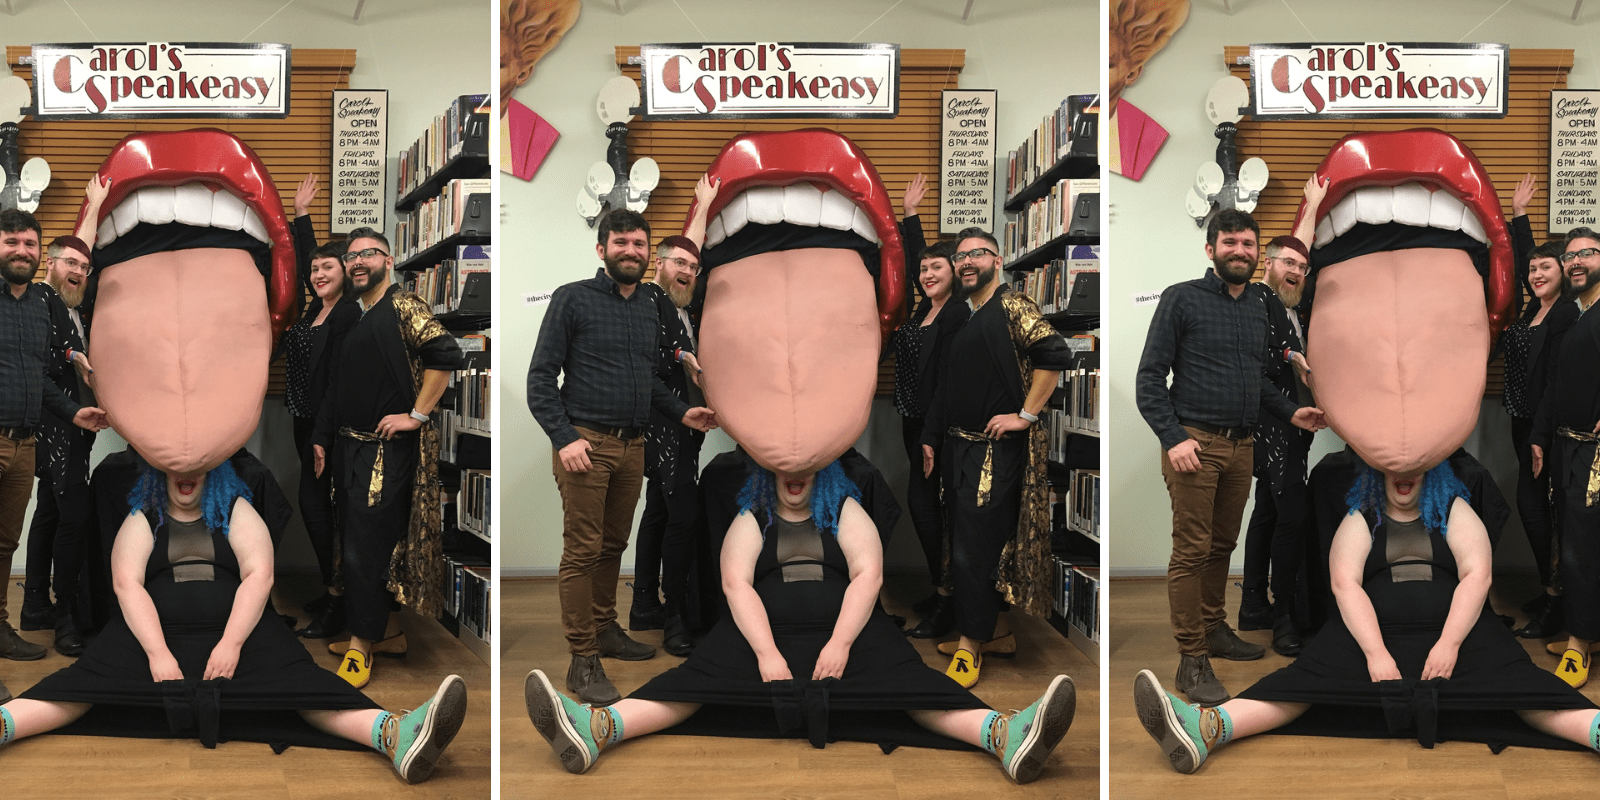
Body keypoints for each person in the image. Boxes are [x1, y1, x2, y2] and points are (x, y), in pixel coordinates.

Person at [526, 461, 1076, 784]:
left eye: (805, 466)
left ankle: (1004, 735)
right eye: (783, 467)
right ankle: (598, 729)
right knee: (696, 682)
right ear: (769, 469)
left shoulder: (845, 508)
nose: (794, 476)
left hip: (849, 627)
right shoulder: (752, 512)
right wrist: (765, 653)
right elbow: (735, 583)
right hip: (762, 629)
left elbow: (869, 575)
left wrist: (839, 644)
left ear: (823, 467)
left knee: (910, 686)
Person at [1, 464, 468, 783]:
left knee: (299, 685)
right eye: (175, 466)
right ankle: (4, 723)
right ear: (160, 469)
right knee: (81, 687)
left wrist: (230, 643)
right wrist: (158, 653)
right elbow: (127, 585)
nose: (185, 475)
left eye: (197, 465)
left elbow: (259, 577)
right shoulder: (142, 514)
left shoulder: (237, 509)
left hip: (239, 631)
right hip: (150, 633)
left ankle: (393, 734)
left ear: (214, 467)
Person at [1134, 465, 1600, 773]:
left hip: (1457, 632)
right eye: (1392, 465)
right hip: (1370, 633)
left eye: (1414, 465)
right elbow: (1345, 584)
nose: (1403, 474)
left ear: (1431, 468)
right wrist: (1375, 652)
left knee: (1520, 687)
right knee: (1302, 684)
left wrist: (1450, 643)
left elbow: (1478, 576)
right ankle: (1209, 728)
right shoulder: (1362, 514)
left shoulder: (1455, 508)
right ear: (1378, 470)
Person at [527, 209, 717, 705]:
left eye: (638, 244)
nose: (630, 251)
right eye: (620, 243)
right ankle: (582, 659)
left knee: (613, 546)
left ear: (646, 254)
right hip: (586, 446)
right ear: (602, 250)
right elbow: (540, 380)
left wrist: (683, 412)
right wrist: (565, 439)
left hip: (634, 446)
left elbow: (648, 380)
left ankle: (606, 628)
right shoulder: (573, 299)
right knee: (583, 551)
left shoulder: (647, 309)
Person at [1135, 209, 1324, 706]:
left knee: (1222, 547)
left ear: (1256, 254)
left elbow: (1256, 381)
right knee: (1192, 551)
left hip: (1242, 447)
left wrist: (1291, 412)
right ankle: (1191, 659)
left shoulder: (1257, 307)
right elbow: (1150, 379)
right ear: (1211, 249)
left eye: (1247, 244)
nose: (1238, 251)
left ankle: (1215, 629)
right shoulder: (1181, 299)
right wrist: (1174, 439)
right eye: (1229, 243)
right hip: (1195, 445)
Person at [918, 227, 1074, 688]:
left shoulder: (1013, 306)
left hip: (993, 454)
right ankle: (998, 633)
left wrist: (1025, 415)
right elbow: (948, 387)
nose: (967, 262)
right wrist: (930, 439)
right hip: (959, 449)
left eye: (977, 254)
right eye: (960, 256)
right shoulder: (969, 315)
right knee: (962, 541)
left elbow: (1054, 352)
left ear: (997, 259)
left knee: (974, 550)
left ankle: (970, 646)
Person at [310, 226, 463, 689]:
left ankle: (361, 646)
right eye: (351, 256)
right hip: (351, 448)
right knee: (354, 540)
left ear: (388, 260)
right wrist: (322, 438)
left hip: (383, 454)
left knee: (365, 550)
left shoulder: (404, 305)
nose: (358, 262)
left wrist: (416, 415)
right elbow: (340, 386)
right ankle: (389, 633)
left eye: (368, 254)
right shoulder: (361, 315)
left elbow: (445, 352)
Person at [0, 209, 108, 663]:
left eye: (28, 243)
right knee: (61, 518)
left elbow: (40, 373)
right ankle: (53, 615)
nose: (20, 251)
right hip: (24, 435)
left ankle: (11, 619)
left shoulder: (41, 305)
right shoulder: (35, 295)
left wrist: (74, 410)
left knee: (11, 538)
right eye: (11, 242)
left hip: (31, 435)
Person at [630, 177, 718, 657]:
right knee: (681, 517)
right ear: (656, 264)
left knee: (660, 512)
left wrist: (703, 206)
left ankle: (644, 601)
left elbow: (690, 249)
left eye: (693, 267)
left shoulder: (680, 306)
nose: (687, 270)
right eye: (677, 263)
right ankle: (676, 616)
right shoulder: (649, 299)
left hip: (681, 428)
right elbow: (651, 370)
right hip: (667, 428)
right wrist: (684, 409)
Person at [280, 175, 362, 641]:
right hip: (303, 420)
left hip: (325, 428)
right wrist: (301, 216)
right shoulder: (316, 309)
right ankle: (332, 589)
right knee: (314, 509)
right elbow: (309, 256)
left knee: (324, 511)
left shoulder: (349, 314)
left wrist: (321, 436)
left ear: (348, 271)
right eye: (315, 270)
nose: (318, 274)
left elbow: (337, 381)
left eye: (328, 268)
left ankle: (339, 601)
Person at [890, 174, 969, 639]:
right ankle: (942, 589)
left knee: (931, 510)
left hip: (934, 428)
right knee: (924, 508)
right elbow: (918, 258)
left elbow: (946, 380)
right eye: (924, 271)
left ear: (957, 271)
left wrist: (930, 435)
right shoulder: (925, 309)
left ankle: (948, 600)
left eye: (938, 269)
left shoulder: (957, 313)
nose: (928, 275)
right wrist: (910, 216)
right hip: (911, 420)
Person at [1500, 175, 1579, 639]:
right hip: (1521, 421)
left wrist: (1539, 436)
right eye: (1532, 270)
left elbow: (1555, 380)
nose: (1536, 275)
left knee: (1543, 512)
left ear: (1565, 271)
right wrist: (1519, 217)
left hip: (1543, 429)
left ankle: (1557, 602)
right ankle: (1550, 588)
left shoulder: (1567, 314)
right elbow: (1526, 256)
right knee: (1532, 509)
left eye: (1546, 268)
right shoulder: (1534, 309)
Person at [1237, 228, 1316, 657]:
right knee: (1291, 517)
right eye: (1289, 263)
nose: (1297, 272)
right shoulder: (1257, 298)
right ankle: (1284, 616)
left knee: (1267, 511)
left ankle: (1252, 605)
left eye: (1302, 267)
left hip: (1288, 427)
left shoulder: (1291, 309)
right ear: (1268, 262)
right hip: (1275, 428)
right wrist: (1288, 356)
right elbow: (1250, 354)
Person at [1530, 225, 1600, 687]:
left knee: (1582, 550)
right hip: (1566, 447)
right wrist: (1538, 437)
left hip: (1595, 457)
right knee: (1572, 543)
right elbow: (1555, 385)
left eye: (1587, 254)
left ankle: (1579, 644)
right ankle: (1588, 633)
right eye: (1570, 256)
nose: (1576, 263)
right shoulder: (1577, 316)